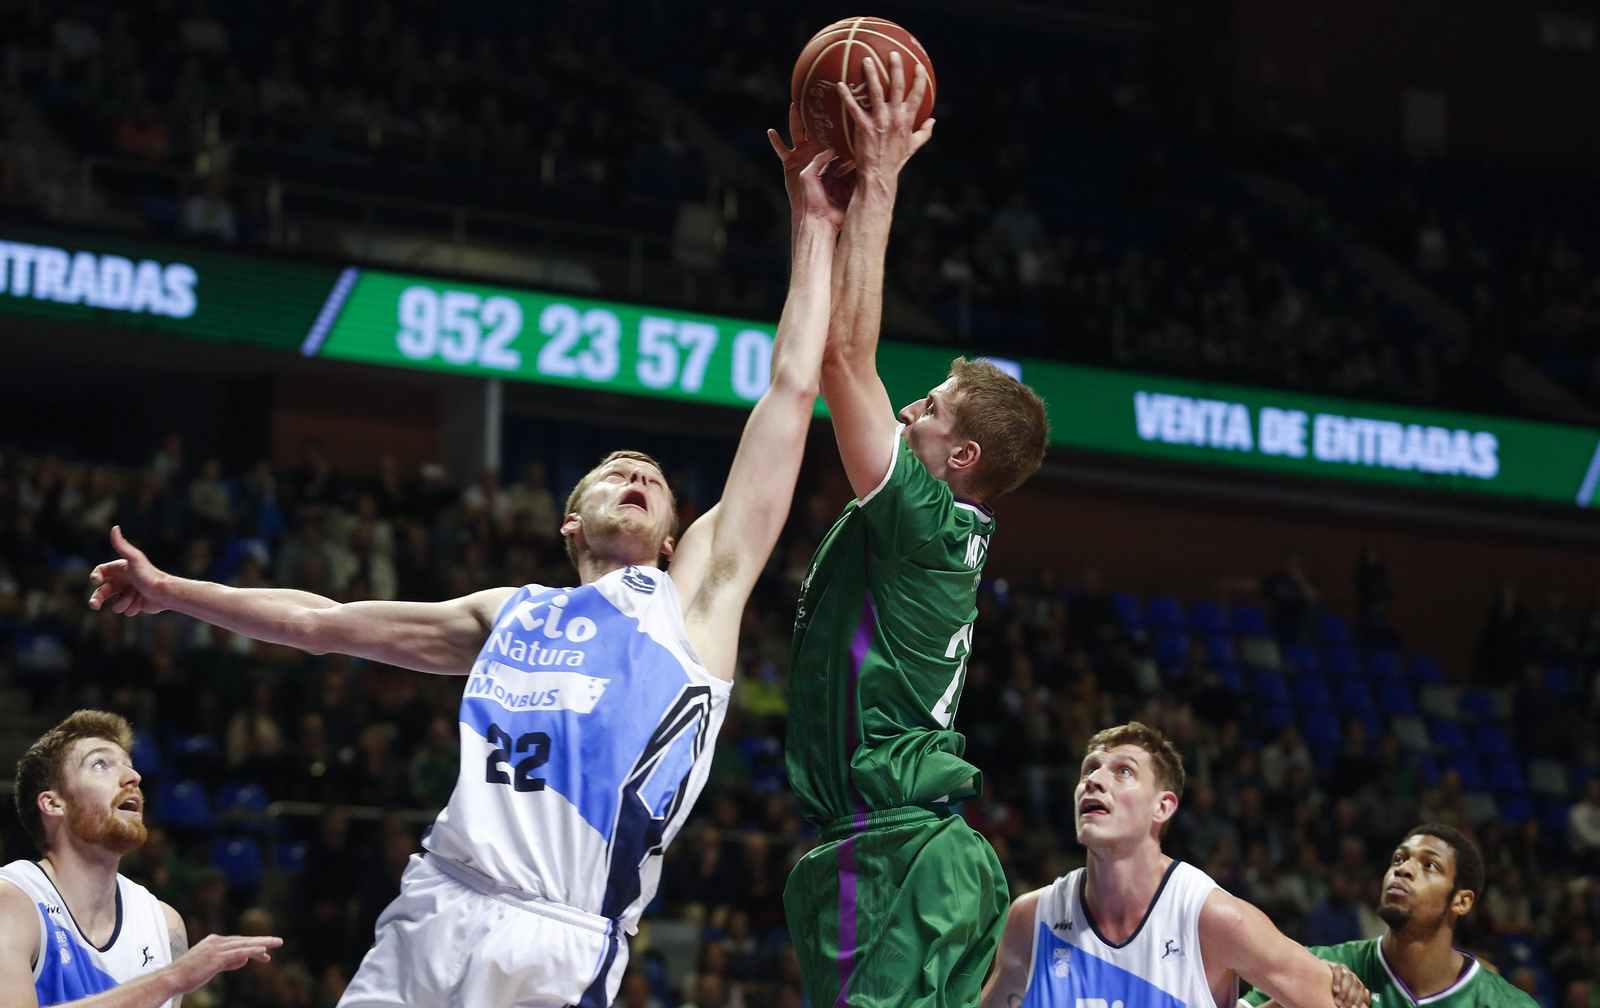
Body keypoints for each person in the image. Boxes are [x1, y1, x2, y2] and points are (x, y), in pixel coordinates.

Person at [86, 144, 848, 1008]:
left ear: (675, 538)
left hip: (558, 936)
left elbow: (789, 390)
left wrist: (813, 223)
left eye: (653, 480)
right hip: (438, 901)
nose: (634, 474)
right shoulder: (508, 613)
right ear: (571, 521)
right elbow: (316, 621)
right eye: (612, 471)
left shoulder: (692, 602)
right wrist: (171, 590)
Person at [774, 52, 1050, 1008]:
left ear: (962, 456)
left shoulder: (926, 519)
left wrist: (878, 180)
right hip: (920, 847)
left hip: (892, 849)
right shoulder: (930, 531)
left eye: (927, 407)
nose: (906, 414)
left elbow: (846, 359)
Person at [980, 722, 1370, 1008]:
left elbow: (1335, 1003)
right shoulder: (1032, 919)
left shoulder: (1212, 918)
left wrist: (1340, 989)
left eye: (1123, 771)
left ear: (1162, 806)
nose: (1095, 781)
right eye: (1089, 770)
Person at [0, 710, 283, 1007]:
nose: (133, 777)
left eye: (129, 766)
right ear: (53, 803)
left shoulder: (164, 924)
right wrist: (168, 980)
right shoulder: (14, 901)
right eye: (100, 764)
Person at [1242, 824, 1537, 1007]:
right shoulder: (1319, 967)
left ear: (1461, 902)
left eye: (1430, 865)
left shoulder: (1504, 1002)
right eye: (1399, 858)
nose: (1403, 869)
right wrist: (1299, 995)